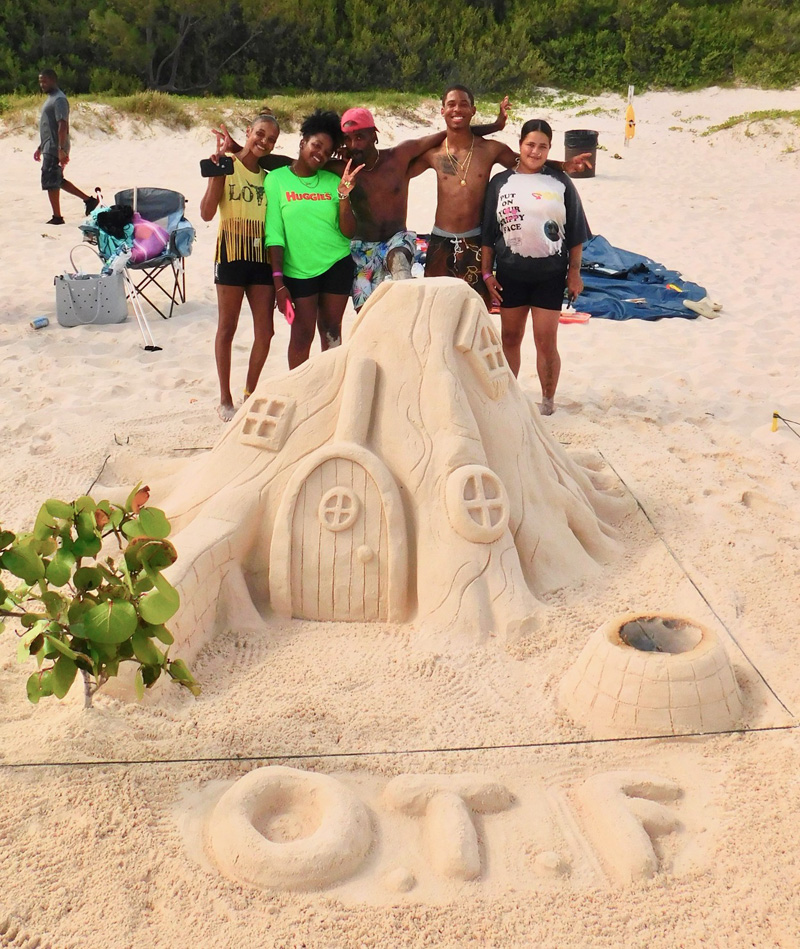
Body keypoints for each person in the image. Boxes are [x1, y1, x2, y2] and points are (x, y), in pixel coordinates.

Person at [410, 85, 592, 307]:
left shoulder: (490, 150)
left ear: (473, 110)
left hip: (475, 240)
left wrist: (563, 165)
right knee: (434, 306)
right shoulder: (434, 153)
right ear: (442, 110)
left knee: (476, 309)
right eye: (451, 104)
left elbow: (526, 161)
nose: (457, 109)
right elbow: (401, 171)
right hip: (441, 240)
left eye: (464, 104)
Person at [480, 119, 589, 415]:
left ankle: (548, 402)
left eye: (543, 146)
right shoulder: (500, 182)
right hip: (510, 275)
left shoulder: (560, 182)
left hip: (550, 276)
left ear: (550, 149)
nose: (535, 151)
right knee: (510, 338)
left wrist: (574, 273)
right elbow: (488, 234)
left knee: (546, 341)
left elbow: (576, 233)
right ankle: (507, 399)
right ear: (520, 145)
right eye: (530, 144)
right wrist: (487, 273)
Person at [265, 110, 363, 368]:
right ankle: (298, 387)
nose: (320, 154)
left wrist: (343, 197)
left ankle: (331, 385)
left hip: (337, 264)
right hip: (298, 270)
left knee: (331, 331)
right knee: (301, 335)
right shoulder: (276, 180)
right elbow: (274, 234)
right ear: (302, 143)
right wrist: (279, 283)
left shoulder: (333, 181)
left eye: (327, 152)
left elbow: (348, 232)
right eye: (316, 145)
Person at [200, 113, 280, 421]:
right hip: (231, 255)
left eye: (271, 139)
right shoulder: (226, 166)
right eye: (260, 134)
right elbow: (207, 213)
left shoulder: (270, 177)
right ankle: (225, 399)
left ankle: (249, 393)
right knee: (227, 327)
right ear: (248, 131)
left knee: (266, 332)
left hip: (260, 258)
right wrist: (218, 172)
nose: (264, 141)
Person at [34, 70, 99, 225]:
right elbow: (48, 127)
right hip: (49, 146)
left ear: (53, 80)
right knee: (57, 179)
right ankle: (89, 201)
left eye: (45, 81)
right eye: (40, 81)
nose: (42, 85)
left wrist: (61, 149)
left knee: (51, 180)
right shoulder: (51, 98)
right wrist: (40, 147)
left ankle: (57, 217)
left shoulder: (59, 99)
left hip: (55, 147)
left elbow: (62, 125)